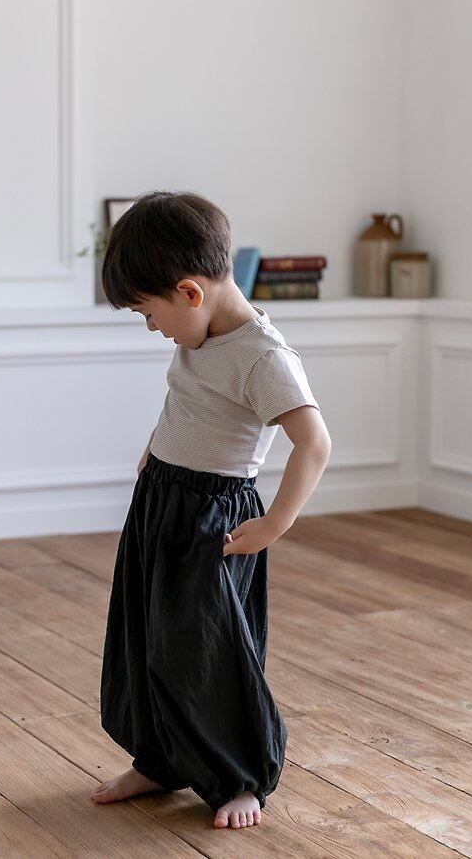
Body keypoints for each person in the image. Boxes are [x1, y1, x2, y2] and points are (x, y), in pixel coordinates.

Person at [91, 191, 331, 829]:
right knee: (147, 637)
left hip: (212, 519)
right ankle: (160, 760)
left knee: (204, 649)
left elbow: (314, 443)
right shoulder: (199, 334)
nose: (152, 327)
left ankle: (242, 775)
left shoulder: (263, 357)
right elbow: (186, 400)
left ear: (189, 293)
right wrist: (154, 450)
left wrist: (274, 523)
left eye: (149, 313)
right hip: (160, 501)